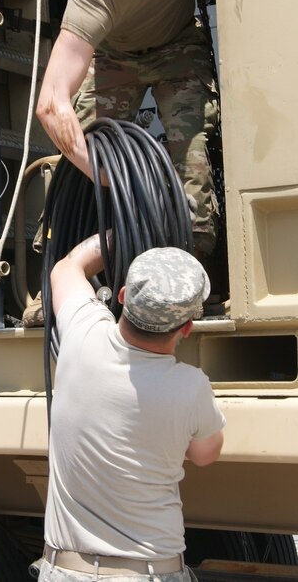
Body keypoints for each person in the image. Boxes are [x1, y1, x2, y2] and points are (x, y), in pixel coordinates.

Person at [36, 0, 219, 259]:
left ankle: (192, 265)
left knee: (193, 159)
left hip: (178, 47)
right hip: (115, 58)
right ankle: (62, 269)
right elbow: (51, 103)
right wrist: (102, 173)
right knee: (82, 151)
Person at [39, 241, 225, 581]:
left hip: (66, 569)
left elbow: (66, 267)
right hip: (149, 572)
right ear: (186, 328)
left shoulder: (81, 336)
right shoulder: (191, 387)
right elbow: (205, 454)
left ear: (122, 295)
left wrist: (113, 233)